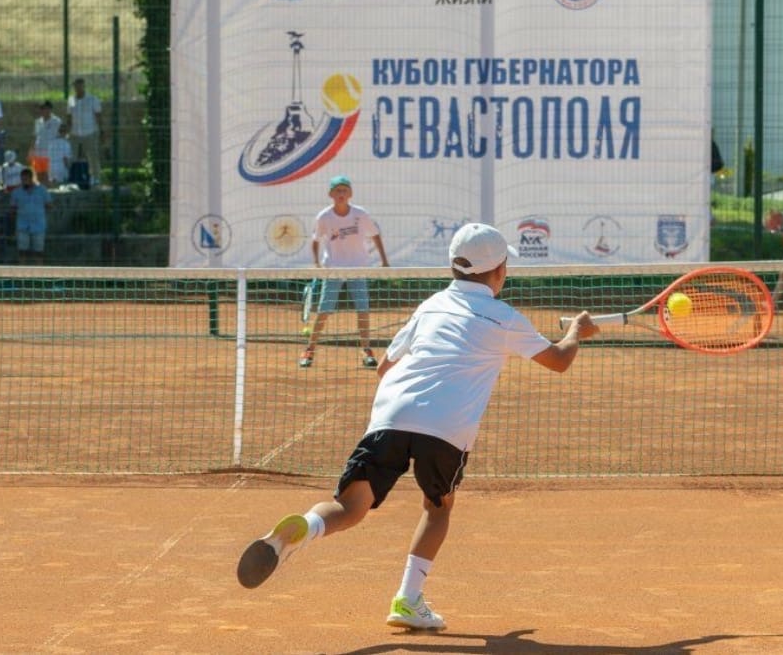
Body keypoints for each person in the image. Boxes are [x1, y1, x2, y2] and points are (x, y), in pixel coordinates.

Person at [237, 222, 599, 631]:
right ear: (499, 272)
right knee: (437, 508)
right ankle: (408, 600)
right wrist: (576, 332)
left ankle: (306, 526)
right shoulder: (504, 316)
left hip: (391, 413)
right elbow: (559, 360)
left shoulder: (430, 306)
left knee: (348, 507)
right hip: (446, 426)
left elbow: (386, 366)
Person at [299, 175, 390, 369]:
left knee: (363, 311)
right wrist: (316, 264)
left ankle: (366, 351)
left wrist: (384, 261)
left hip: (358, 268)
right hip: (333, 269)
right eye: (337, 191)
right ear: (331, 194)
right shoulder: (324, 217)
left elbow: (375, 235)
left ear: (350, 194)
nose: (341, 194)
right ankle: (309, 350)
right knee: (324, 312)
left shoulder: (361, 214)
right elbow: (315, 240)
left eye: (344, 190)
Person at [9, 168, 54, 264]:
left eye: (26, 179)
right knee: (22, 251)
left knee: (39, 252)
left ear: (31, 178)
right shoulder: (16, 192)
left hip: (38, 225)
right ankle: (22, 275)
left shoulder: (42, 190)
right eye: (22, 179)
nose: (24, 181)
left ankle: (39, 274)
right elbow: (12, 209)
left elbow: (49, 205)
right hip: (22, 226)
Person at [67, 78, 102, 186]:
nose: (78, 88)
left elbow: (98, 115)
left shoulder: (92, 99)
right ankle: (70, 177)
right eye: (76, 86)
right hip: (74, 133)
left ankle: (95, 178)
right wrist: (68, 131)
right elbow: (69, 116)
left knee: (93, 156)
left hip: (90, 132)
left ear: (83, 86)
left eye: (80, 86)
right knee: (71, 156)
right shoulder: (71, 100)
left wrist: (101, 130)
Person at [31, 100, 63, 186]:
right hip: (38, 152)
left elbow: (60, 137)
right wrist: (31, 150)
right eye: (41, 109)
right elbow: (35, 136)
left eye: (45, 108)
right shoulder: (38, 122)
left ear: (50, 109)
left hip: (50, 153)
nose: (42, 111)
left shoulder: (57, 121)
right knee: (38, 174)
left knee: (48, 175)